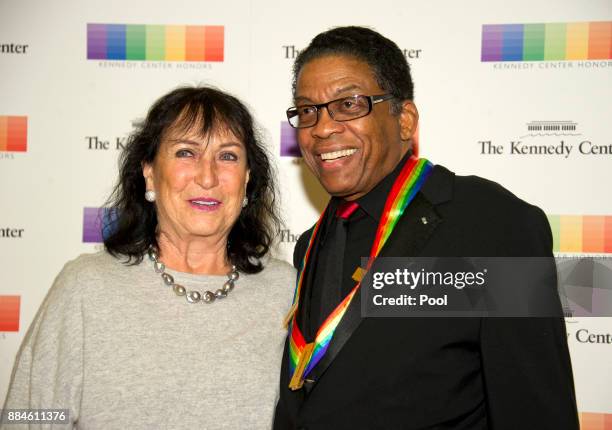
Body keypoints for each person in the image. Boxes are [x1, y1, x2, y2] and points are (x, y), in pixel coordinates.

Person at [274, 27, 579, 429]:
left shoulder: (491, 225)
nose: (323, 128)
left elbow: (536, 411)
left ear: (405, 120)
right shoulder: (311, 244)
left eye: (349, 104)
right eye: (308, 110)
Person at [2, 86, 294, 429]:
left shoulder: (285, 291)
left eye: (228, 156)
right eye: (186, 152)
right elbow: (29, 416)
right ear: (149, 172)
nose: (208, 175)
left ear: (246, 179)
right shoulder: (86, 287)